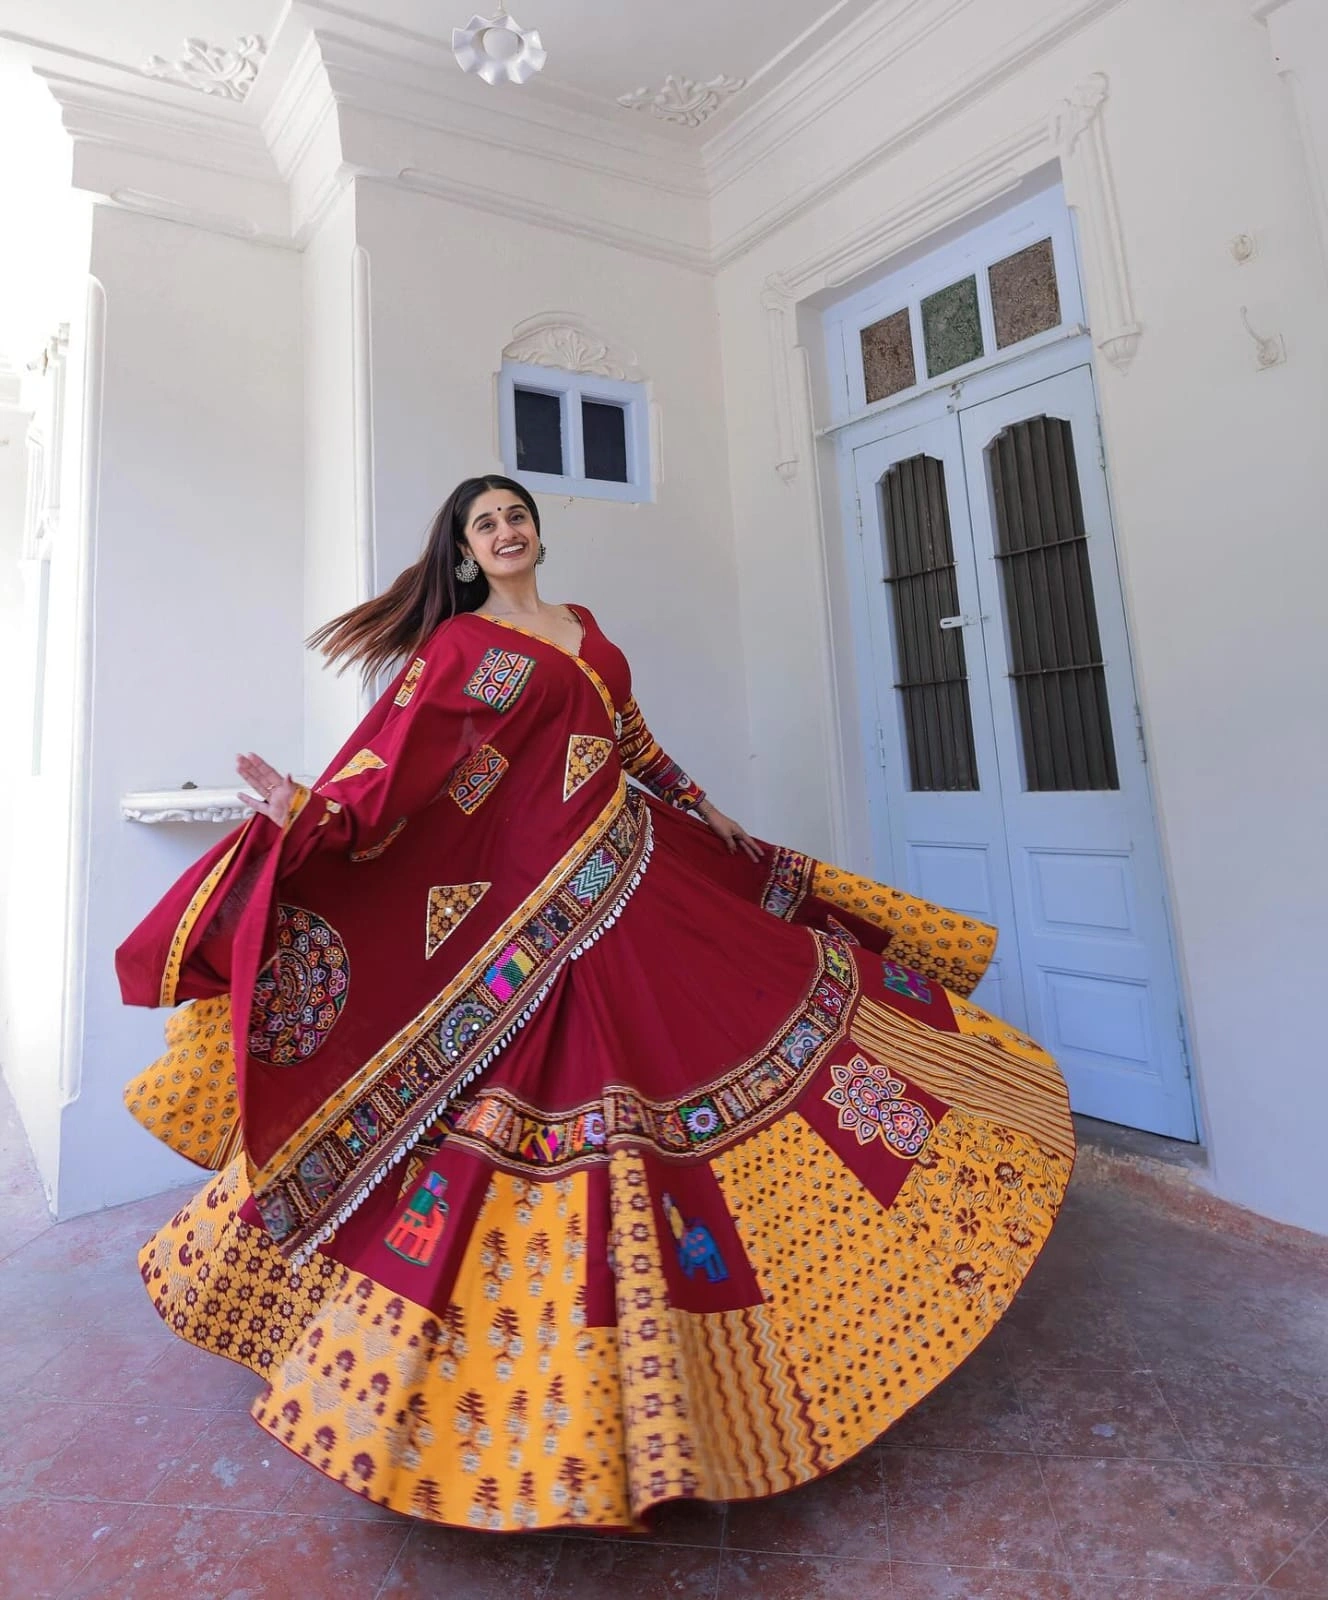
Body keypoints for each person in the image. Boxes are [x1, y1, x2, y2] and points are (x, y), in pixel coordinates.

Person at [117, 474, 1074, 1532]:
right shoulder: (458, 650)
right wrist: (311, 809)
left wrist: (717, 821)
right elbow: (394, 778)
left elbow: (633, 747)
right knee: (566, 1103)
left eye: (515, 514)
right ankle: (530, 1410)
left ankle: (762, 1355)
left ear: (535, 531)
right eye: (483, 523)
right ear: (466, 551)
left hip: (638, 876)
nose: (505, 530)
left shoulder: (584, 628)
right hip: (529, 921)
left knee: (742, 1036)